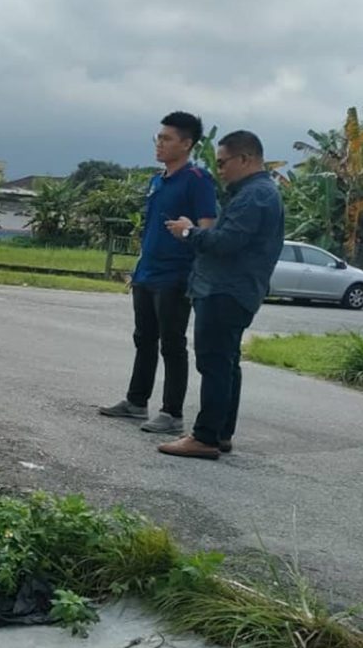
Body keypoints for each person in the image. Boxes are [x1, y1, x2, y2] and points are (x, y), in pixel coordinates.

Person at [159, 130, 284, 459]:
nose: (221, 170)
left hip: (224, 291)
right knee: (227, 364)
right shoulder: (256, 193)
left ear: (246, 159)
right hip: (232, 290)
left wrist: (188, 232)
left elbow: (226, 243)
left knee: (215, 363)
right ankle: (220, 432)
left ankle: (205, 437)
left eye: (223, 162)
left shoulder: (255, 196)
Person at [99, 112, 217, 435]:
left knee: (172, 344)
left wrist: (190, 232)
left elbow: (208, 229)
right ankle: (136, 402)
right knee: (144, 340)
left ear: (187, 143)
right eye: (158, 138)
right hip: (147, 275)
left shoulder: (198, 179)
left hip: (176, 277)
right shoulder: (157, 180)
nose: (159, 144)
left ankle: (172, 413)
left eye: (166, 139)